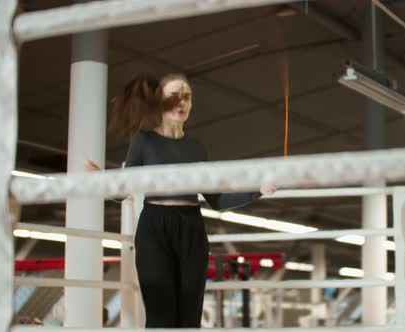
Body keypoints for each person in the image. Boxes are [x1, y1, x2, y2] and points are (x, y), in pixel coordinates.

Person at [87, 73, 275, 328]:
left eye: (187, 96)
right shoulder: (143, 141)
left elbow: (217, 200)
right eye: (174, 95)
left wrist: (259, 189)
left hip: (191, 229)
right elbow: (122, 192)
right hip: (155, 226)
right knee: (160, 315)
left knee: (189, 316)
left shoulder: (197, 148)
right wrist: (97, 179)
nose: (182, 101)